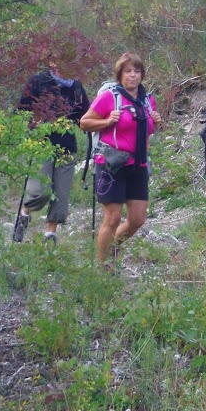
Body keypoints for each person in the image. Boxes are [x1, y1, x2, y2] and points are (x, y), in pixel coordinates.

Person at [80, 53, 162, 271]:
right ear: (120, 75)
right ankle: (102, 267)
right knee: (113, 217)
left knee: (137, 219)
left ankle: (113, 248)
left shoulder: (147, 100)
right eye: (128, 71)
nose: (132, 75)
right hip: (111, 164)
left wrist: (157, 122)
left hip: (138, 165)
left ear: (142, 75)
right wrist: (107, 121)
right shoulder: (109, 96)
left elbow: (145, 131)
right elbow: (85, 122)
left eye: (136, 71)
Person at [14, 65, 90, 244]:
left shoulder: (75, 87)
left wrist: (99, 124)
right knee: (40, 191)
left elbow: (85, 116)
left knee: (61, 195)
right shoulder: (38, 81)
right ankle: (24, 214)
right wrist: (30, 126)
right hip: (41, 143)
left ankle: (50, 235)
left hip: (67, 145)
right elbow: (21, 110)